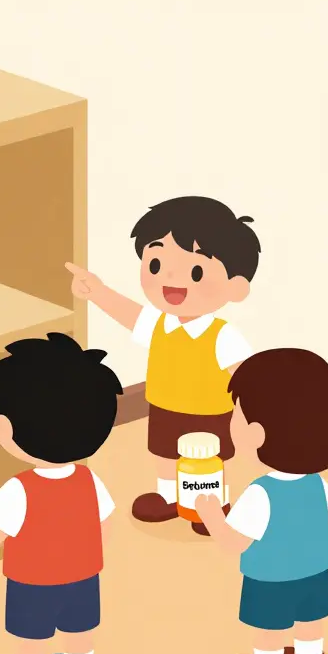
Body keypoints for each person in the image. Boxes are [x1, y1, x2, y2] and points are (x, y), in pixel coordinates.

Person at [65, 196, 259, 535]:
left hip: (211, 412)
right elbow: (127, 313)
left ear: (236, 288)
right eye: (155, 265)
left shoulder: (222, 335)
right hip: (165, 406)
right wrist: (97, 292)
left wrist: (252, 412)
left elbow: (245, 378)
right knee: (165, 455)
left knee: (209, 462)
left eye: (196, 271)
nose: (170, 279)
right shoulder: (159, 323)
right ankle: (171, 498)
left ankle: (212, 505)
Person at [0, 332, 123, 654]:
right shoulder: (88, 478)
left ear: (6, 429)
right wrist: (83, 557)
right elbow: (105, 524)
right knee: (79, 629)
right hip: (84, 576)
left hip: (33, 581)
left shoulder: (20, 489)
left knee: (32, 635)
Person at [194, 348, 328, 654]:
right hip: (315, 573)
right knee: (310, 621)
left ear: (256, 435)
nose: (230, 422)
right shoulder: (317, 482)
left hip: (270, 579)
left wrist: (211, 516)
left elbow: (233, 542)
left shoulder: (260, 493)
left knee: (268, 626)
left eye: (235, 415)